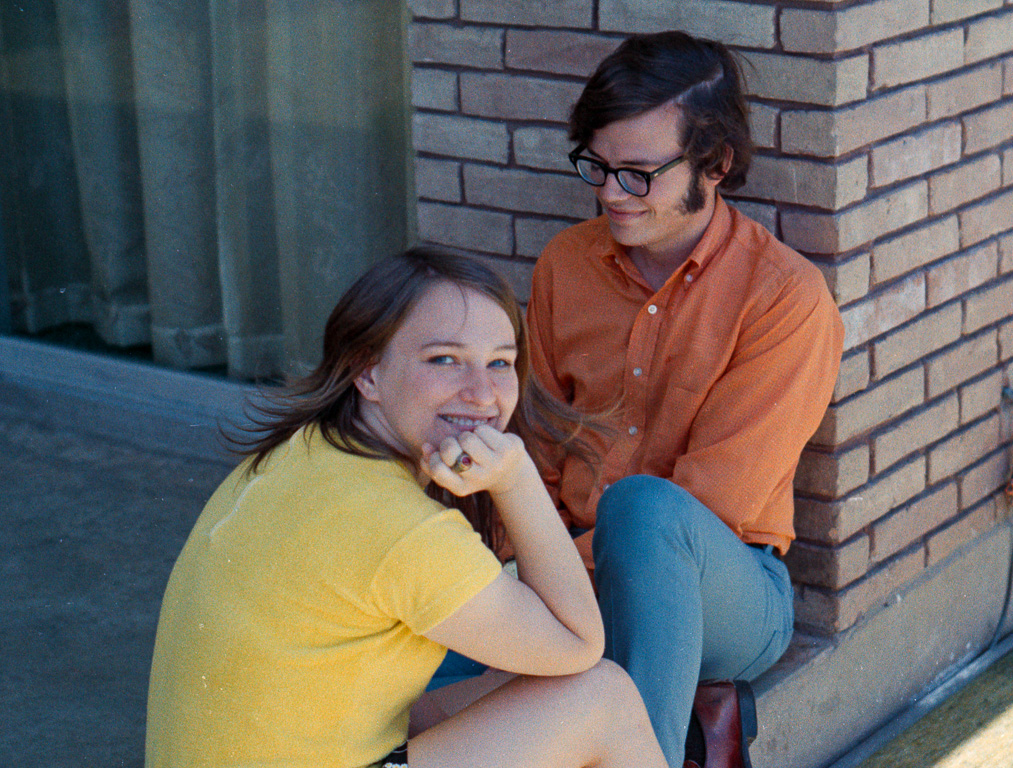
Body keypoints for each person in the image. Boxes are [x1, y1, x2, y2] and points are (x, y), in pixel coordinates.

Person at [146, 246, 668, 768]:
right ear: (368, 374)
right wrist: (517, 482)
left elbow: (550, 657)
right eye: (444, 359)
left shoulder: (303, 452)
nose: (483, 393)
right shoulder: (396, 527)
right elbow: (579, 642)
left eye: (500, 363)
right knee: (603, 699)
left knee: (520, 682)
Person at [526, 31, 845, 767]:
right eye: (597, 167)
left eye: (638, 173)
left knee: (643, 509)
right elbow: (535, 448)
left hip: (726, 591)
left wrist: (552, 576)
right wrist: (525, 564)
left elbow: (714, 502)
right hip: (563, 571)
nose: (610, 193)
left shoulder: (783, 297)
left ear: (717, 163)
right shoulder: (563, 266)